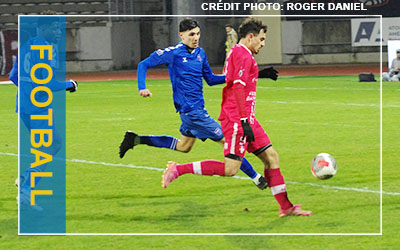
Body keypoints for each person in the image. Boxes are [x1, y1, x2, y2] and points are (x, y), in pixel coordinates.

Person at [162, 18, 311, 217]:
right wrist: (242, 121)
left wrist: (259, 74)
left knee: (271, 157)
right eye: (262, 39)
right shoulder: (242, 54)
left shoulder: (239, 52)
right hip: (236, 120)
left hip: (247, 118)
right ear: (251, 36)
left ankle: (286, 207)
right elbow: (238, 87)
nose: (263, 43)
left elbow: (233, 79)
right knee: (231, 169)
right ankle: (179, 169)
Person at [119, 18, 268, 190]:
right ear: (181, 35)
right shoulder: (173, 53)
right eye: (191, 35)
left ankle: (135, 139)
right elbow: (143, 64)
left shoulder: (200, 53)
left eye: (198, 34)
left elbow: (211, 79)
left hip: (194, 111)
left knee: (184, 146)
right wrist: (142, 87)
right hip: (193, 113)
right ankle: (257, 178)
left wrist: (238, 77)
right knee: (230, 143)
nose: (195, 38)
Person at [10, 15, 78, 209]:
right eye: (54, 28)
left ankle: (25, 178)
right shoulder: (46, 49)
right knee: (50, 146)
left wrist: (27, 90)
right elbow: (48, 83)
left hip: (23, 105)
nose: (58, 33)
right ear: (43, 28)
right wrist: (70, 84)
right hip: (38, 107)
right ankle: (26, 191)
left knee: (50, 144)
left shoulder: (26, 48)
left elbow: (14, 76)